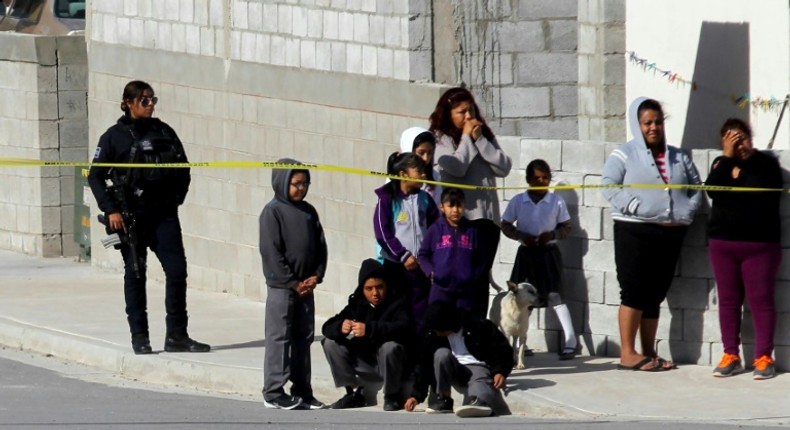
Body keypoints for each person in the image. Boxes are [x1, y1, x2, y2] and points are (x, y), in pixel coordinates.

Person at [88, 80, 209, 355]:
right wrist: (111, 210)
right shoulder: (113, 137)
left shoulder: (164, 131)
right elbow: (95, 175)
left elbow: (183, 167)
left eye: (153, 99)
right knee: (136, 275)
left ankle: (177, 335)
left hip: (164, 215)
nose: (150, 104)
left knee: (177, 272)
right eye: (144, 100)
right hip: (132, 218)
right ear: (128, 103)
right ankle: (140, 337)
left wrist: (177, 198)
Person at [601, 97, 702, 372]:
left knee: (655, 293)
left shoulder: (678, 156)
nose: (653, 127)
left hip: (670, 232)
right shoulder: (623, 154)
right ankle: (627, 353)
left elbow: (696, 187)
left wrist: (687, 211)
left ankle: (647, 352)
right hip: (634, 230)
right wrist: (636, 207)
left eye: (657, 122)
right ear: (638, 124)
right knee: (633, 290)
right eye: (647, 123)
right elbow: (608, 184)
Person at [705, 118, 782, 380]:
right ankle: (731, 355)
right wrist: (727, 159)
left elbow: (765, 193)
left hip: (760, 245)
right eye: (732, 140)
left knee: (760, 301)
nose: (740, 144)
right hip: (723, 244)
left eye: (743, 137)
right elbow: (713, 191)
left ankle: (763, 357)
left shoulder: (767, 163)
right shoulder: (720, 164)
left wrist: (743, 168)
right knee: (728, 301)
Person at [429, 87, 512, 317]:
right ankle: (456, 328)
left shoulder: (481, 134)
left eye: (471, 110)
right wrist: (466, 138)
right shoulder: (439, 138)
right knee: (462, 275)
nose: (468, 117)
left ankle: (475, 330)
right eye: (461, 112)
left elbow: (503, 166)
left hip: (487, 220)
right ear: (448, 114)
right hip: (462, 219)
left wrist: (480, 140)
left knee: (480, 278)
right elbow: (457, 166)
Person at [259, 158, 328, 410]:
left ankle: (302, 390)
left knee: (303, 338)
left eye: (305, 183)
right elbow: (271, 252)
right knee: (280, 338)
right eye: (295, 183)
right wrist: (291, 282)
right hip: (282, 288)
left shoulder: (309, 211)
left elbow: (321, 246)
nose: (301, 188)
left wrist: (316, 275)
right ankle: (274, 391)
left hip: (305, 288)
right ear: (282, 182)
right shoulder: (272, 212)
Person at [501, 159, 577, 360]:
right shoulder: (518, 200)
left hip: (548, 253)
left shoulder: (556, 201)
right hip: (527, 253)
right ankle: (520, 344)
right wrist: (520, 236)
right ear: (527, 180)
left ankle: (571, 341)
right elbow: (505, 224)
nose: (541, 182)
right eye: (536, 178)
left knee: (554, 296)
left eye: (545, 178)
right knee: (524, 299)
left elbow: (566, 227)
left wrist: (551, 235)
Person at [321, 259, 413, 411]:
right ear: (362, 289)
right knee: (329, 342)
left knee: (390, 347)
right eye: (369, 288)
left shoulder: (397, 302)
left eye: (379, 287)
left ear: (386, 285)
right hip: (366, 362)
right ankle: (354, 391)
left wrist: (369, 329)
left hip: (391, 364)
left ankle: (391, 396)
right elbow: (327, 327)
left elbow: (403, 327)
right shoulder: (357, 303)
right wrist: (340, 326)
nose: (375, 293)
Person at [404, 301, 513, 418]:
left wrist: (500, 371)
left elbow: (502, 349)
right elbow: (424, 365)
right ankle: (444, 399)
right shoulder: (434, 336)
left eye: (438, 330)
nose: (436, 333)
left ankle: (477, 401)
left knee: (481, 395)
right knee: (441, 354)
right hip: (453, 366)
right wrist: (416, 395)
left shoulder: (478, 325)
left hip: (477, 367)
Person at [374, 152, 439, 333]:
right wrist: (403, 255)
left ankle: (418, 357)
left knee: (420, 313)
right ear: (403, 174)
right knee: (398, 313)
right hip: (396, 267)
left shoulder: (425, 199)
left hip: (420, 269)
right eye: (419, 171)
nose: (424, 175)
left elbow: (436, 229)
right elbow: (382, 234)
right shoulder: (387, 200)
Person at [418, 188, 490, 315]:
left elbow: (483, 258)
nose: (455, 210)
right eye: (450, 206)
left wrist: (473, 276)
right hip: (440, 290)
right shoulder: (435, 229)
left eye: (459, 205)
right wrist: (431, 273)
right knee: (438, 326)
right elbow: (423, 255)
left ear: (464, 206)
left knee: (462, 328)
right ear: (442, 207)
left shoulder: (472, 230)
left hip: (465, 292)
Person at [399, 126, 439, 199]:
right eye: (421, 152)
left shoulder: (435, 176)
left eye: (430, 153)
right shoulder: (396, 176)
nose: (425, 158)